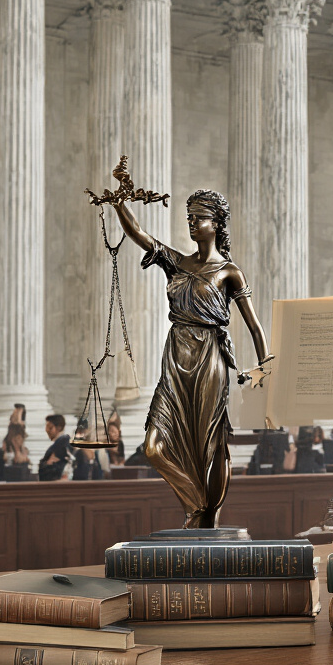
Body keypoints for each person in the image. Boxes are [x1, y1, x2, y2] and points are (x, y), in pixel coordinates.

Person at [110, 188, 273, 528]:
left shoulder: (229, 272)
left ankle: (207, 521)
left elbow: (256, 328)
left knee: (211, 445)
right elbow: (139, 234)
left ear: (217, 224)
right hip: (174, 359)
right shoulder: (177, 263)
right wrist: (118, 203)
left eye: (199, 218)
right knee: (153, 447)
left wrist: (265, 373)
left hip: (210, 358)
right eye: (189, 218)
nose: (192, 224)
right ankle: (196, 503)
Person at [38, 414, 72, 481]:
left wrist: (45, 464)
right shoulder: (63, 442)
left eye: (50, 428)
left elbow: (51, 464)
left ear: (58, 428)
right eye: (46, 427)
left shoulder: (62, 442)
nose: (47, 430)